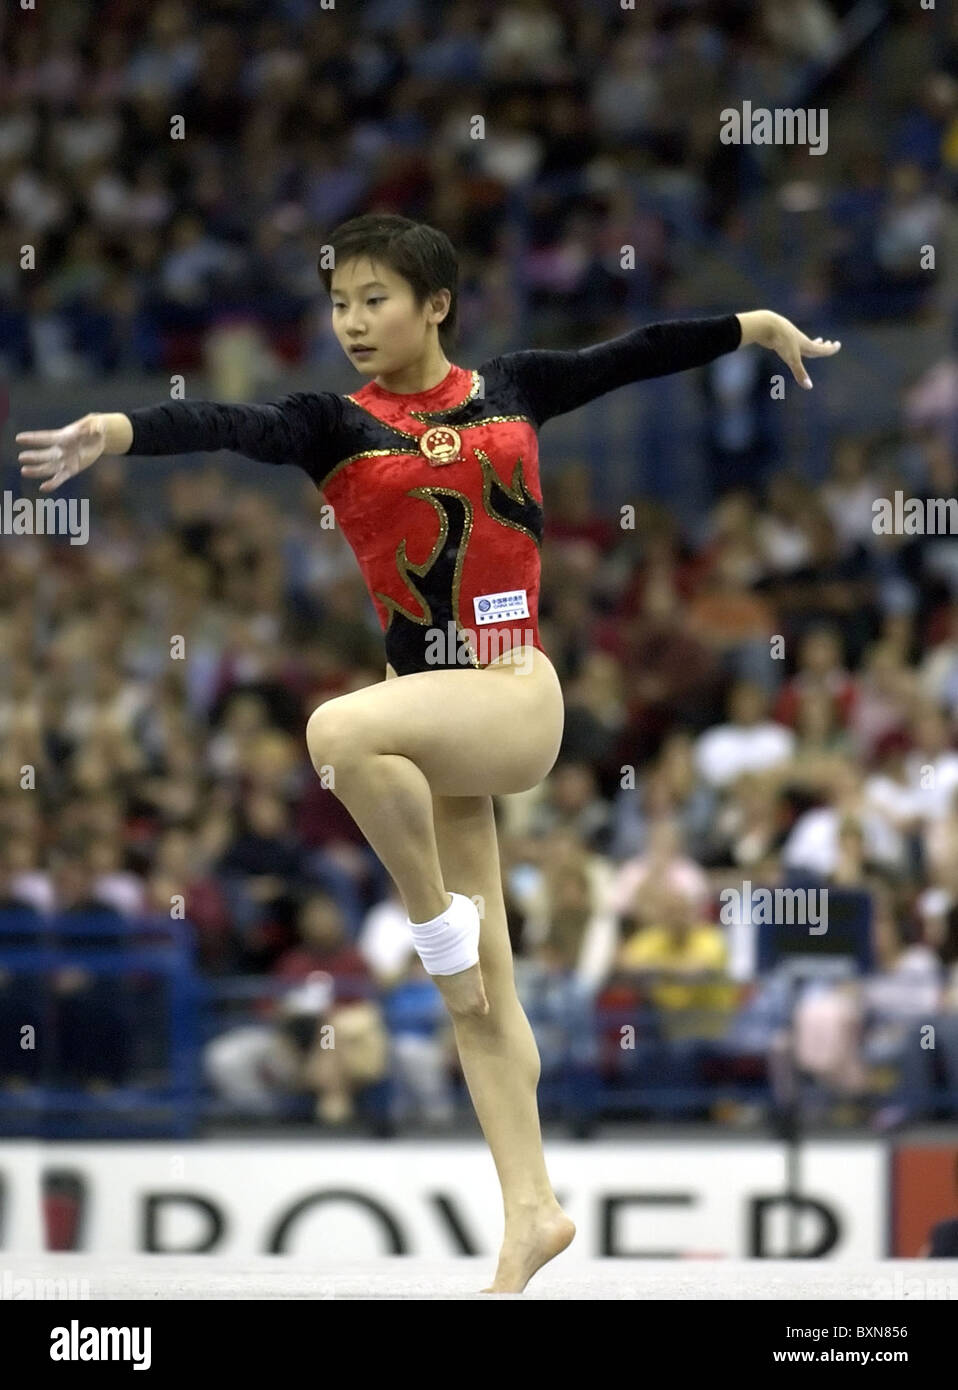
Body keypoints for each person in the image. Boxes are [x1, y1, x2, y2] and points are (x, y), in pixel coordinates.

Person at [17, 211, 840, 1293]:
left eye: (376, 300)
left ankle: (432, 923)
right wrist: (116, 431)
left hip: (512, 693)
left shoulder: (512, 387)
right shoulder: (330, 422)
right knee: (482, 1005)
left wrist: (751, 324)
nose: (353, 322)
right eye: (340, 303)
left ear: (434, 303)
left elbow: (630, 355)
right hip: (433, 732)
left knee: (332, 729)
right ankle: (530, 1214)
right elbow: (224, 422)